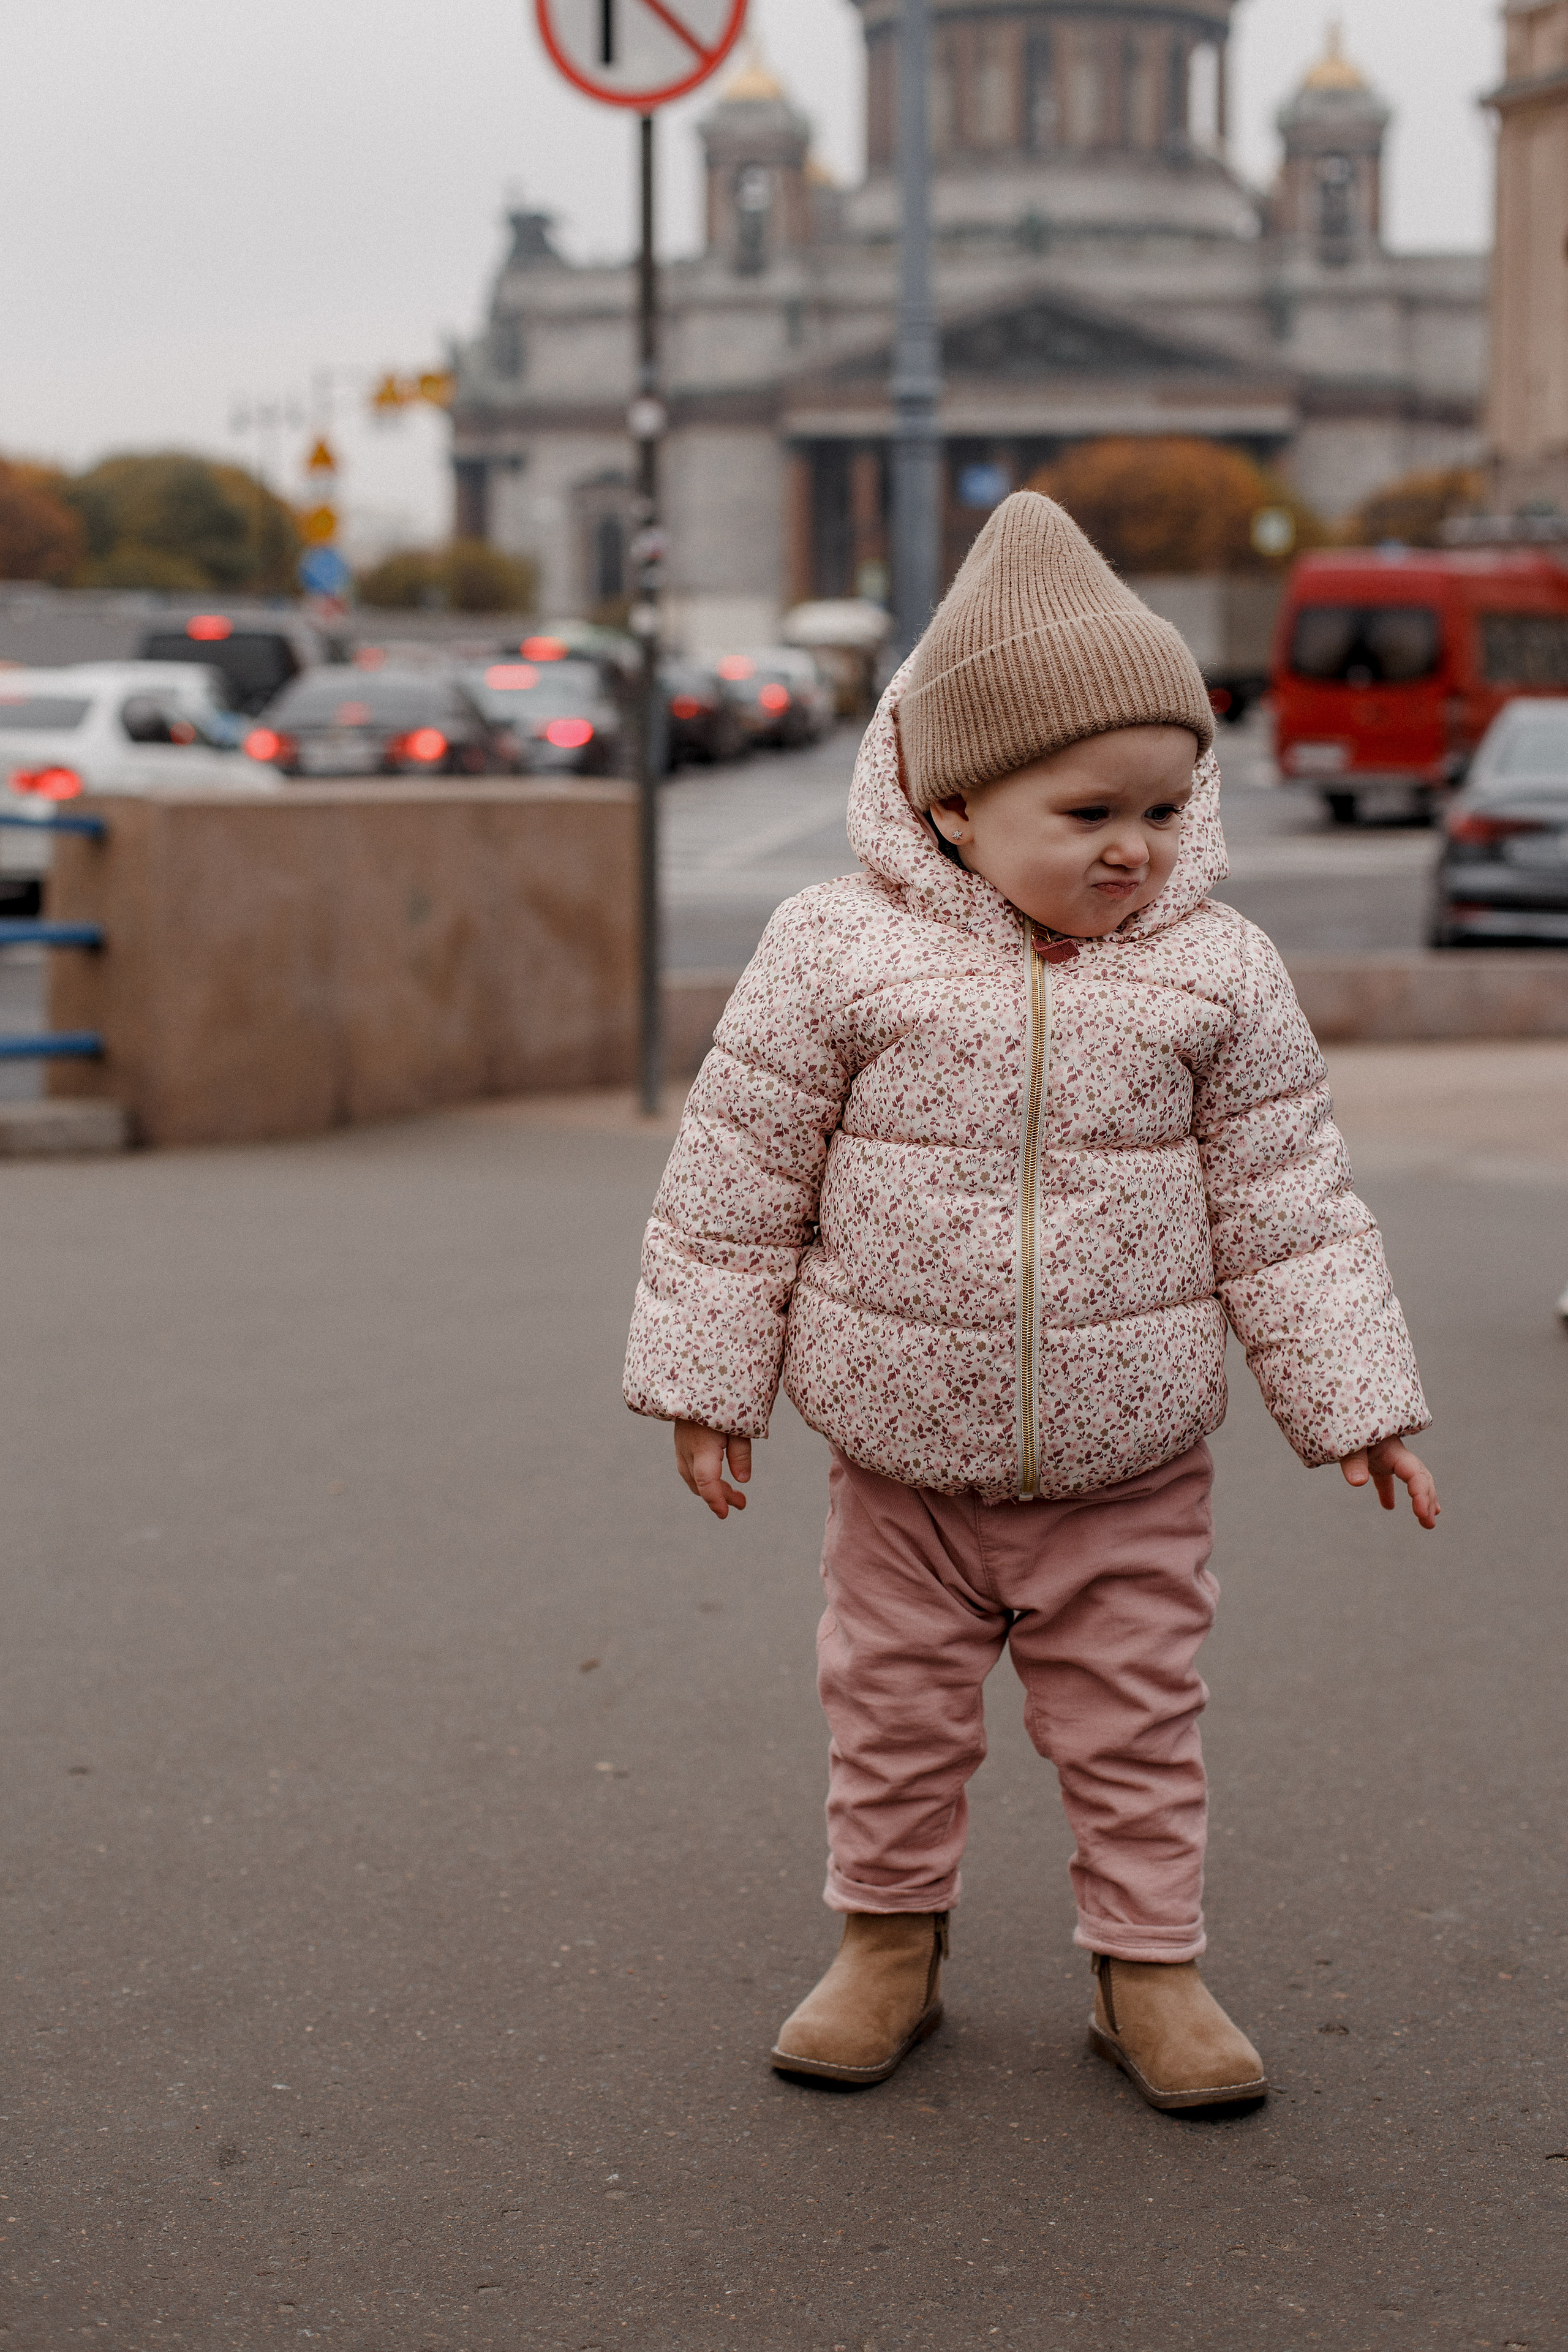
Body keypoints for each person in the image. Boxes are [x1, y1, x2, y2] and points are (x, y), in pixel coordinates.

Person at [623, 493, 1439, 2115]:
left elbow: (1290, 1207)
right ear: (948, 804)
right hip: (900, 1460)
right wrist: (715, 1381)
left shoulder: (1216, 969)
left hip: (1130, 1462)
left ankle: (1150, 1966)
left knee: (1137, 1726)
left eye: (1164, 805)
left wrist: (1362, 1399)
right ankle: (888, 1946)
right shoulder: (832, 953)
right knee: (895, 1714)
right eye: (1087, 809)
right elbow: (738, 1182)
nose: (1134, 846)